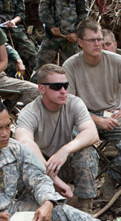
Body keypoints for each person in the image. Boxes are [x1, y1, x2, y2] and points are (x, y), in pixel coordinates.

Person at [63, 19, 121, 197]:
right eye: (92, 40)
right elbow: (68, 103)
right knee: (73, 141)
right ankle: (80, 190)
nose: (97, 44)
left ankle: (111, 178)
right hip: (82, 117)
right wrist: (97, 120)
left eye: (100, 39)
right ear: (80, 42)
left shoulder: (115, 60)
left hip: (111, 115)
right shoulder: (70, 65)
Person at [13, 64, 99, 213]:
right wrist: (53, 178)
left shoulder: (74, 103)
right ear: (42, 89)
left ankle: (85, 209)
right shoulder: (30, 112)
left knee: (87, 153)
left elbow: (92, 133)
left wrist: (65, 150)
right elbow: (24, 141)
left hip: (62, 164)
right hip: (40, 166)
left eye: (65, 85)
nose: (63, 91)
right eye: (56, 86)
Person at [36, 0, 89, 69]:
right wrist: (51, 26)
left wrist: (76, 33)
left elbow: (83, 14)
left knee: (72, 70)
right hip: (52, 36)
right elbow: (43, 7)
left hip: (70, 38)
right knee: (41, 68)